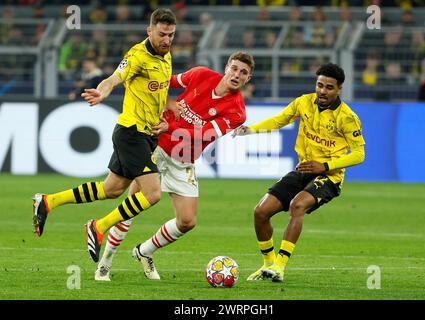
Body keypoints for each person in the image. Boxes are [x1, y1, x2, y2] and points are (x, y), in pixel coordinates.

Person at [32, 9, 180, 263]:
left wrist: (166, 106)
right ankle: (99, 227)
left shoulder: (166, 57)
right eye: (162, 34)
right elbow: (114, 78)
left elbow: (156, 89)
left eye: (171, 35)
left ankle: (48, 201)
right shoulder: (136, 55)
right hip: (132, 133)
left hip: (146, 134)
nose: (166, 40)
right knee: (153, 194)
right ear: (149, 30)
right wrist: (102, 92)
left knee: (111, 189)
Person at [94, 51, 254, 281]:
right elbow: (163, 82)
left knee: (187, 221)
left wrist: (170, 127)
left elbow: (204, 133)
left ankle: (144, 252)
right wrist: (165, 102)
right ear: (227, 67)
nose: (237, 74)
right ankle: (105, 263)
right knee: (133, 204)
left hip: (183, 159)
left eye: (243, 73)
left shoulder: (237, 112)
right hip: (156, 146)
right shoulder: (200, 75)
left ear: (248, 79)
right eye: (235, 68)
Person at [233, 63, 365, 282]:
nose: (322, 91)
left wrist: (324, 166)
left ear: (339, 89)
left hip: (329, 176)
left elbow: (359, 154)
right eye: (319, 85)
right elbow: (280, 120)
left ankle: (280, 267)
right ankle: (267, 265)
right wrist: (252, 129)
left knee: (297, 204)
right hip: (303, 169)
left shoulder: (347, 117)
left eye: (329, 87)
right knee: (260, 212)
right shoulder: (304, 102)